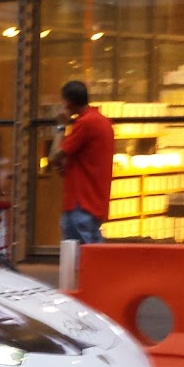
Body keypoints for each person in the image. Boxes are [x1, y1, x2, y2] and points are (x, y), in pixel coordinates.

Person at [49, 79, 115, 245]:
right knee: (93, 257)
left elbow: (54, 155)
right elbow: (85, 158)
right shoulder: (103, 122)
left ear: (68, 102)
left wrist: (60, 127)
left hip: (80, 201)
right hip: (95, 201)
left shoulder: (85, 123)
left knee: (77, 258)